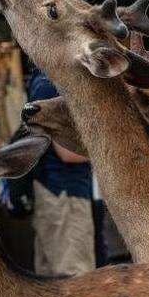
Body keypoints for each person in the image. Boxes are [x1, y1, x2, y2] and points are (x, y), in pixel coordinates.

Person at [26, 68, 96, 276]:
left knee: (53, 283)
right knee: (77, 283)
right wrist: (111, 153)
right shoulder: (51, 86)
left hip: (56, 194)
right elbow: (68, 153)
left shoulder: (44, 81)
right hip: (65, 197)